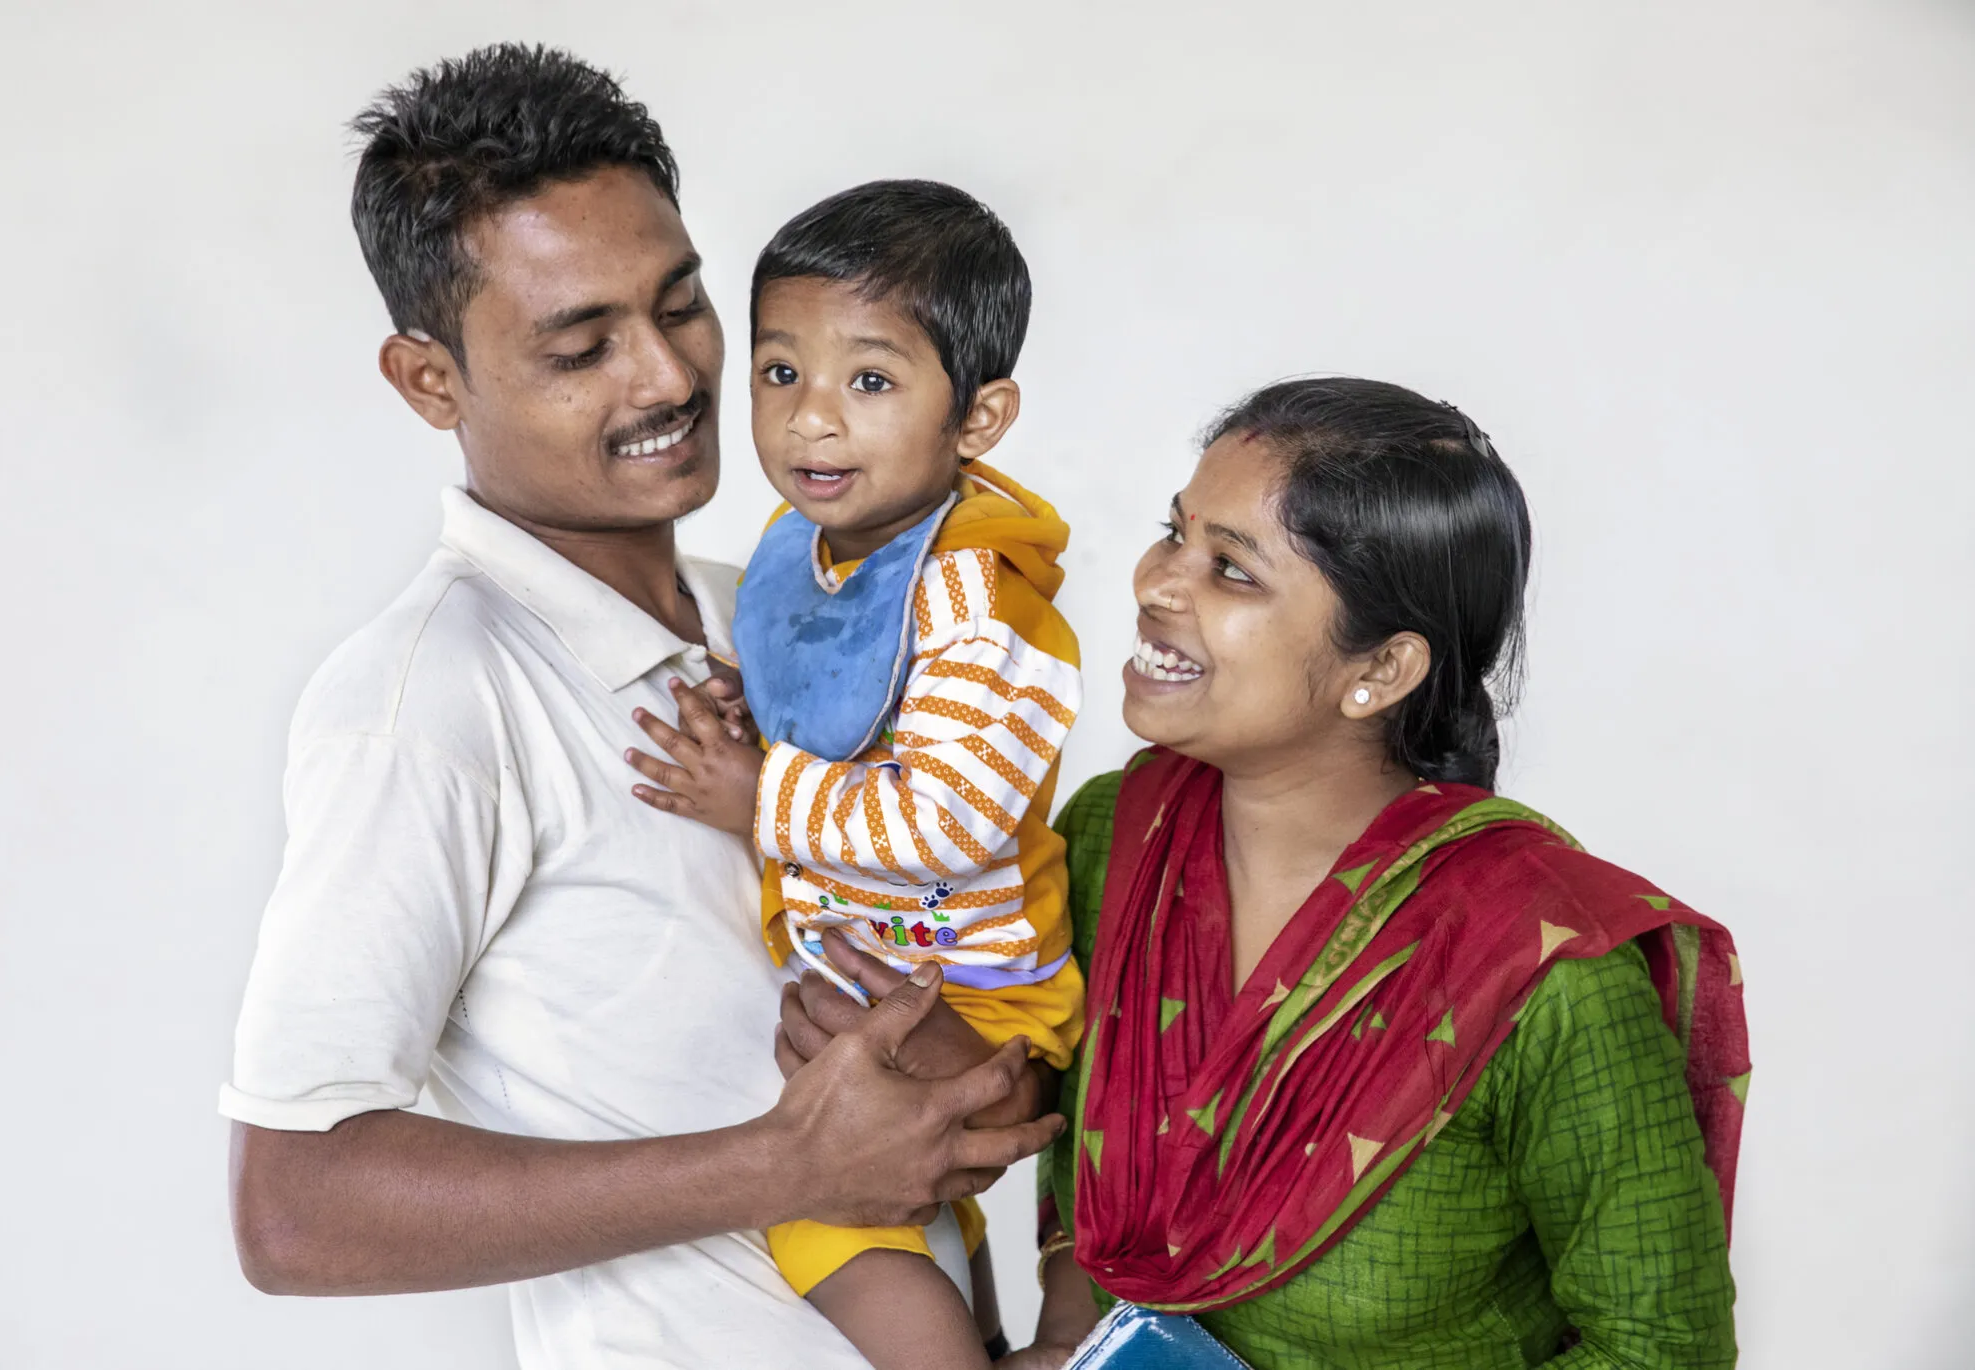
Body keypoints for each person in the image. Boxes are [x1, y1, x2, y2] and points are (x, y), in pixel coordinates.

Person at [218, 45, 1060, 1370]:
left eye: (680, 305)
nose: (667, 376)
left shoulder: (787, 614)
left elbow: (925, 957)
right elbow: (292, 1205)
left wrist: (979, 1076)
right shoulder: (427, 699)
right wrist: (778, 1165)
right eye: (581, 342)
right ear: (430, 380)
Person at [782, 378, 1751, 1368]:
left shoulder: (1546, 966)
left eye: (1231, 570)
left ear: (1379, 670)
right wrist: (1078, 1338)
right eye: (1174, 533)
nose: (1155, 583)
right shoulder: (1118, 836)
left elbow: (1660, 1350)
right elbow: (1092, 1166)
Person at [621, 180, 1085, 1370]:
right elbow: (836, 711)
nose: (812, 421)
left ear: (978, 418)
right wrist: (756, 715)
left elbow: (947, 816)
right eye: (781, 373)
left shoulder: (982, 594)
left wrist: (756, 796)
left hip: (978, 994)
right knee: (908, 1221)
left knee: (830, 1216)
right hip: (885, 974)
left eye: (870, 381)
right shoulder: (808, 549)